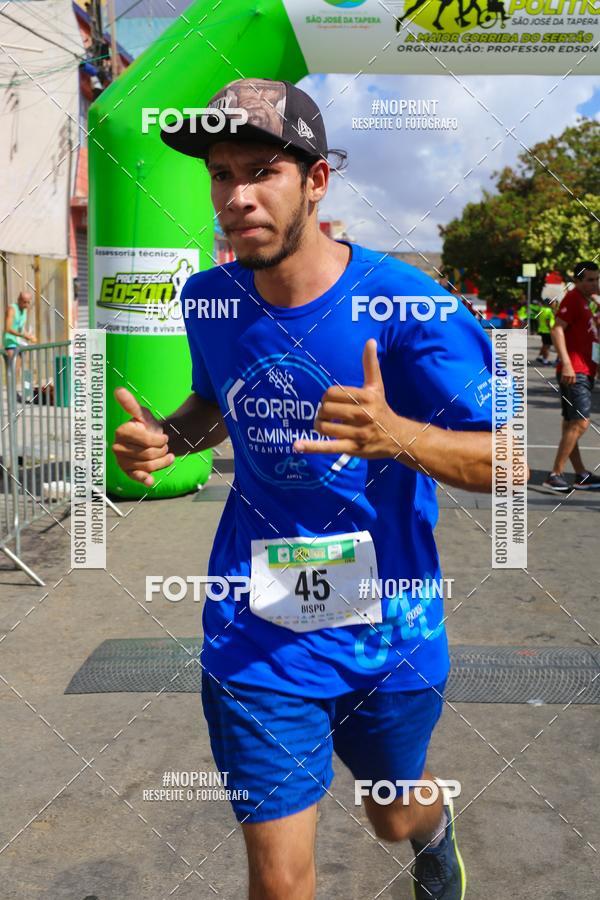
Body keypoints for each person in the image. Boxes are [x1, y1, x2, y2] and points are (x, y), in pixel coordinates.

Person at [113, 78, 498, 900]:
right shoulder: (209, 301)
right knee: (280, 882)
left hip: (387, 628)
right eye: (222, 174)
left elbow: (506, 457)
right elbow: (217, 404)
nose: (238, 197)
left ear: (316, 181)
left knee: (393, 812)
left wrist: (405, 436)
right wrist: (169, 437)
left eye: (263, 172)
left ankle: (431, 833)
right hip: (257, 628)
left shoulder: (408, 307)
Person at [544, 261, 600, 491]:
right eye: (589, 280)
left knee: (571, 424)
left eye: (597, 279)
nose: (595, 283)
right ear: (577, 280)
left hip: (586, 370)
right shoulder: (573, 299)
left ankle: (580, 474)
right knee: (580, 422)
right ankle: (555, 474)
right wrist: (566, 364)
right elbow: (557, 329)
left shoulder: (588, 303)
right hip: (575, 371)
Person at [3, 291, 36, 379]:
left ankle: (14, 391)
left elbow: (20, 328)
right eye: (24, 302)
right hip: (10, 341)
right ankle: (12, 391)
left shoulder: (24, 310)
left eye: (28, 302)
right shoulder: (12, 309)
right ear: (19, 300)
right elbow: (8, 328)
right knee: (12, 368)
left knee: (17, 369)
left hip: (18, 341)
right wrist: (23, 335)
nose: (26, 304)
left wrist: (29, 336)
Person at [535, 300, 555, 365]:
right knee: (547, 346)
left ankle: (540, 357)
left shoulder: (541, 309)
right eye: (553, 303)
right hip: (547, 330)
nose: (554, 304)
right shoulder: (549, 311)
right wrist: (551, 329)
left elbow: (537, 318)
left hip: (542, 329)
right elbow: (547, 321)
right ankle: (545, 360)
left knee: (544, 344)